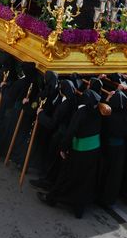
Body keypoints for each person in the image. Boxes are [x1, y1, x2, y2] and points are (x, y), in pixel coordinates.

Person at [37, 89, 103, 219]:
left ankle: (52, 198)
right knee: (86, 180)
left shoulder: (81, 112)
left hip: (79, 150)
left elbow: (71, 131)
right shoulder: (98, 112)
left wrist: (63, 148)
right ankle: (79, 208)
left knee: (66, 175)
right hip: (94, 150)